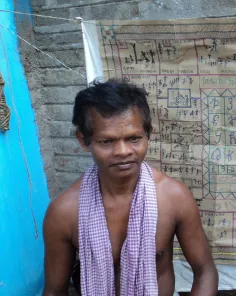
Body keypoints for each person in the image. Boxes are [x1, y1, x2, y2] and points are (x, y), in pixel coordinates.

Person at [42, 79, 218, 296]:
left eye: (134, 138)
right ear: (83, 140)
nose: (123, 151)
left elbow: (205, 271)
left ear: (148, 135)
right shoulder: (64, 212)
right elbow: (54, 290)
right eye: (107, 141)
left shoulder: (174, 198)